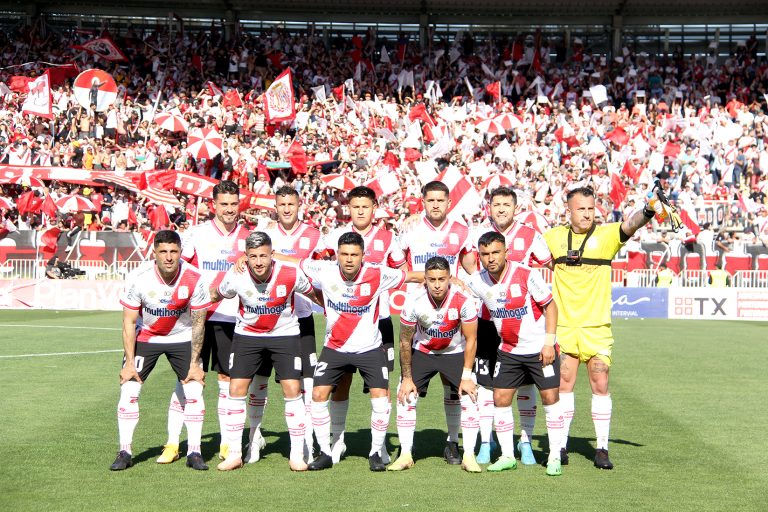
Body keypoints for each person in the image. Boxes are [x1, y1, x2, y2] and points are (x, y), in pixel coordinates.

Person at [544, 186, 660, 470]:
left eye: (590, 208)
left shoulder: (606, 235)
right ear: (568, 210)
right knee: (564, 385)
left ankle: (603, 448)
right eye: (580, 208)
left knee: (601, 383)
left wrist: (649, 209)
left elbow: (630, 224)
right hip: (564, 326)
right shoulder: (553, 238)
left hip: (596, 327)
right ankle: (560, 446)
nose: (587, 213)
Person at [299, 232, 424, 472]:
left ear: (363, 256)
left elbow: (411, 276)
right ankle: (325, 451)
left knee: (381, 397)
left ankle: (375, 451)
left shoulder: (378, 273)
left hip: (370, 348)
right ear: (337, 255)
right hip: (334, 347)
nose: (348, 259)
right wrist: (271, 256)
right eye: (344, 254)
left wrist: (450, 279)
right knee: (318, 395)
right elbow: (296, 262)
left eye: (354, 255)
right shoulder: (324, 270)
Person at [212, 232, 321, 472]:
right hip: (247, 336)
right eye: (253, 257)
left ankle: (296, 454)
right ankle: (235, 453)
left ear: (272, 254)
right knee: (236, 388)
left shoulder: (291, 273)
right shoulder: (236, 275)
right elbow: (216, 294)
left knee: (293, 390)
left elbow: (313, 293)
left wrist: (332, 309)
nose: (259, 262)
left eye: (263, 255)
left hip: (285, 335)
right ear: (246, 257)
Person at [160, 180, 248, 464]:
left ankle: (225, 444)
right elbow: (179, 269)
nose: (229, 209)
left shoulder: (248, 236)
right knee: (187, 377)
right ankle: (173, 443)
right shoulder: (195, 234)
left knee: (226, 380)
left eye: (234, 204)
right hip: (196, 316)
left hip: (231, 318)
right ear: (214, 205)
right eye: (224, 204)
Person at [110, 230, 211, 471]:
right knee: (130, 389)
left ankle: (194, 451)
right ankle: (125, 450)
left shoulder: (194, 277)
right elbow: (128, 323)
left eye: (173, 251)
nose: (168, 257)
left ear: (180, 253)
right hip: (147, 337)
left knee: (194, 389)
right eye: (163, 252)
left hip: (183, 337)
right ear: (154, 252)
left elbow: (198, 323)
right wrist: (128, 363)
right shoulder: (138, 277)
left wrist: (195, 362)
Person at [322, 186, 407, 464]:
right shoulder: (336, 237)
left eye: (365, 206)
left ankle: (379, 446)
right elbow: (320, 272)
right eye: (355, 206)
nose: (360, 211)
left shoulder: (387, 237)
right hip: (344, 324)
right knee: (341, 383)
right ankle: (338, 441)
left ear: (374, 208)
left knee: (379, 387)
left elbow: (401, 271)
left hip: (378, 322)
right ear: (349, 208)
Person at [467, 231, 563, 476]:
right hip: (508, 351)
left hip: (539, 349)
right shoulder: (478, 280)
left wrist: (549, 343)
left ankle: (554, 456)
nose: (491, 258)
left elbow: (550, 306)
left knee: (550, 399)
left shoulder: (526, 275)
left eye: (496, 252)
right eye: (485, 254)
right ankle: (508, 455)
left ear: (506, 252)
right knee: (501, 399)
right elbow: (457, 289)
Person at [396, 180, 476, 465]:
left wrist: (467, 285)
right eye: (430, 200)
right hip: (418, 314)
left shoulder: (462, 230)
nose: (436, 205)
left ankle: (452, 442)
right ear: (423, 202)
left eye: (441, 200)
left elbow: (471, 267)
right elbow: (398, 269)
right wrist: (426, 278)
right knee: (407, 387)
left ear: (449, 203)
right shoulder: (409, 229)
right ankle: (406, 450)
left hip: (450, 316)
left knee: (452, 387)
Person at [388, 256, 481, 473]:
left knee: (469, 395)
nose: (437, 284)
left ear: (450, 278)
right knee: (406, 395)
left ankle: (469, 455)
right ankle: (405, 454)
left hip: (455, 352)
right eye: (432, 279)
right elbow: (404, 340)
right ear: (425, 280)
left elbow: (471, 340)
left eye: (441, 279)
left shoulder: (463, 299)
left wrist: (466, 376)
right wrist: (407, 378)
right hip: (423, 352)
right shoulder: (414, 300)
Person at [260, 185, 327, 462]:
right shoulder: (266, 234)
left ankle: (307, 442)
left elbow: (321, 271)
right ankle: (254, 437)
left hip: (301, 317)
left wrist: (287, 260)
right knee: (260, 381)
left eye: (291, 204)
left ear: (300, 205)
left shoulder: (314, 234)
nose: (286, 209)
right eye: (282, 204)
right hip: (268, 318)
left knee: (308, 383)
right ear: (275, 206)